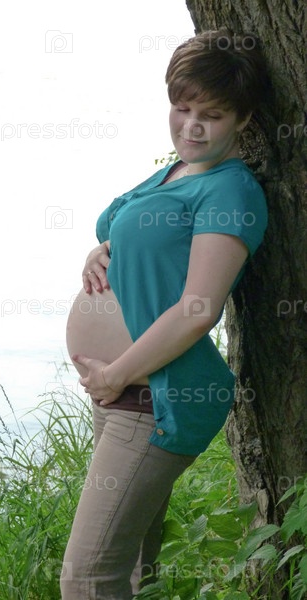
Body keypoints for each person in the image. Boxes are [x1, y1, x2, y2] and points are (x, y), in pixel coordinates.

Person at [61, 29, 271, 599]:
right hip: (121, 391)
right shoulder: (179, 172)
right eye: (182, 108)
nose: (191, 126)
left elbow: (198, 309)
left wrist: (116, 374)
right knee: (132, 566)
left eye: (212, 115)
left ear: (244, 119)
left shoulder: (229, 193)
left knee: (87, 576)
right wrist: (103, 249)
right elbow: (138, 235)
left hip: (155, 396)